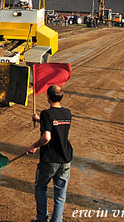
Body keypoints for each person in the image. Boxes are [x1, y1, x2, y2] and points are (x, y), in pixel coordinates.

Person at [26, 85, 73, 222]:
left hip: (49, 159)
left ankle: (42, 219)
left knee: (40, 188)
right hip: (65, 159)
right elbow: (57, 123)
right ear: (61, 96)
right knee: (60, 194)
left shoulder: (47, 114)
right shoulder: (67, 113)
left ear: (48, 97)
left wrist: (34, 146)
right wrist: (40, 119)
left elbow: (47, 137)